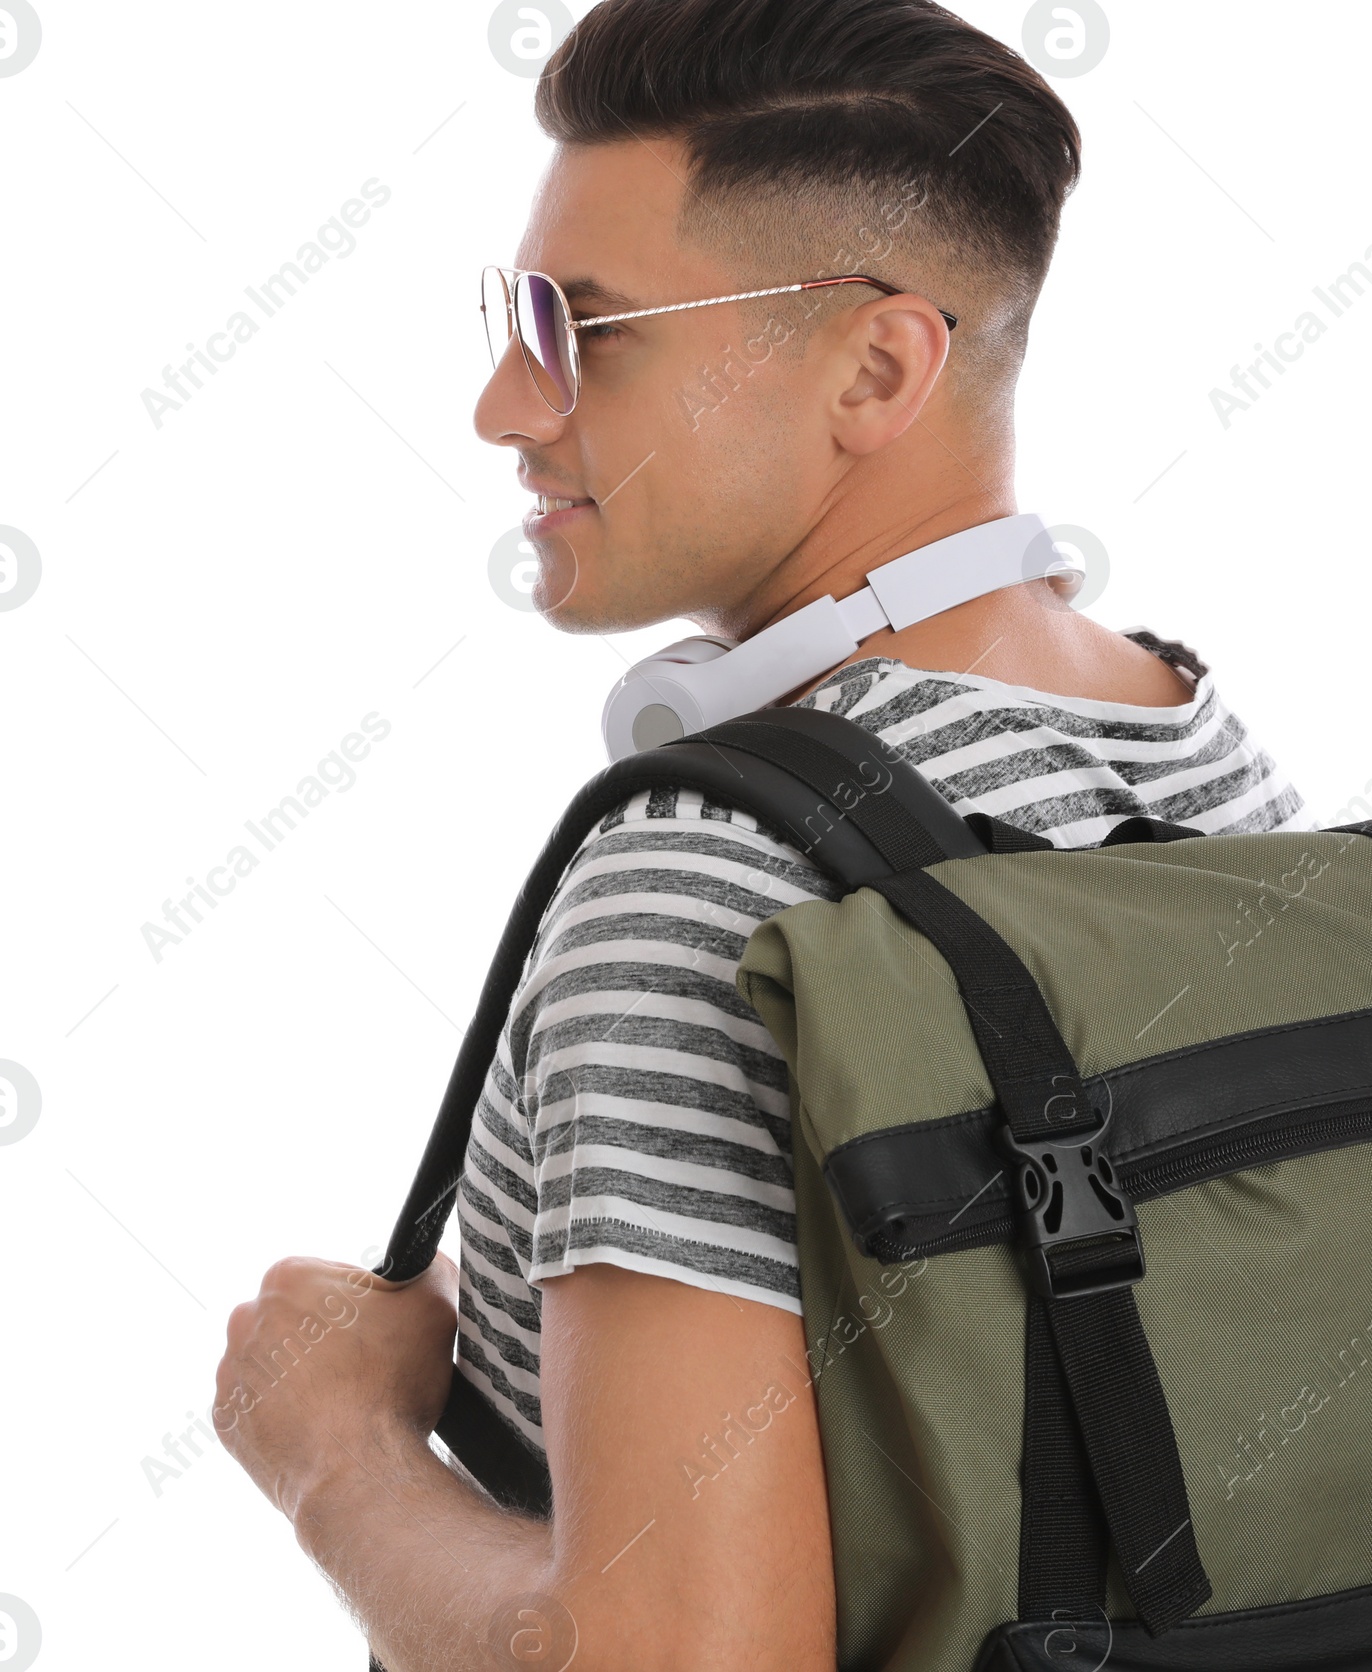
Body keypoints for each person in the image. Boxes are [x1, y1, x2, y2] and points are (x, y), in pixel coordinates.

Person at [215, 2, 1310, 1666]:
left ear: (877, 367)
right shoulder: (1208, 760)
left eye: (586, 329)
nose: (503, 406)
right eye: (517, 318)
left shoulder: (708, 880)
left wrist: (334, 1458)